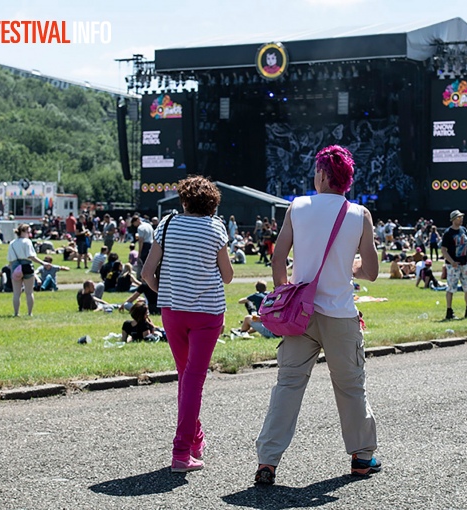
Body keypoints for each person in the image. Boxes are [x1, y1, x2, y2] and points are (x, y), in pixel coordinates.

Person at [254, 145, 380, 485]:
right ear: (346, 180)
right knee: (351, 386)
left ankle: (268, 461)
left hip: (300, 314)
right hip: (340, 313)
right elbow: (371, 271)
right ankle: (362, 456)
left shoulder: (298, 207)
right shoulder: (360, 215)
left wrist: (284, 294)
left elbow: (278, 259)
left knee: (288, 386)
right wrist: (349, 266)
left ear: (322, 175)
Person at [141, 175, 233, 473]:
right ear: (211, 203)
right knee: (193, 380)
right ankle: (181, 451)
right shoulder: (216, 228)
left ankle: (195, 439)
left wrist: (165, 290)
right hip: (207, 314)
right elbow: (228, 275)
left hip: (172, 312)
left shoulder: (166, 224)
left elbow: (146, 273)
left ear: (183, 200)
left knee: (186, 376)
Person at [441, 210, 467, 320]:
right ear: (453, 219)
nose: (461, 219)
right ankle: (449, 311)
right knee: (451, 288)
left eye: (461, 217)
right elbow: (443, 250)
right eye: (458, 218)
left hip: (465, 263)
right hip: (453, 265)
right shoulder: (448, 233)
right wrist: (451, 262)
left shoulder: (464, 230)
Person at [8, 223, 47, 317]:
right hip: (27, 266)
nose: (29, 234)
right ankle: (29, 313)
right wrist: (43, 263)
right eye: (28, 231)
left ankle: (16, 313)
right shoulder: (27, 242)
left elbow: (10, 260)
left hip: (15, 266)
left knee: (16, 293)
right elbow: (31, 256)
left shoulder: (12, 243)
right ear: (23, 232)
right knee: (29, 292)